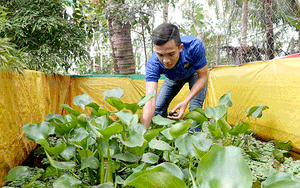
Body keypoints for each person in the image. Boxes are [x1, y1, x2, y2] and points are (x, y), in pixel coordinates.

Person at [142, 23, 208, 129]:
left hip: (194, 74)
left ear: (180, 47)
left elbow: (203, 76)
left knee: (195, 108)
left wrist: (185, 101)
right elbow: (150, 101)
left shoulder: (194, 46)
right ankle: (163, 137)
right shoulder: (153, 63)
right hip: (173, 78)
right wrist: (142, 134)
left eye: (171, 54)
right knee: (157, 108)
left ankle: (194, 140)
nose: (166, 61)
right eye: (160, 55)